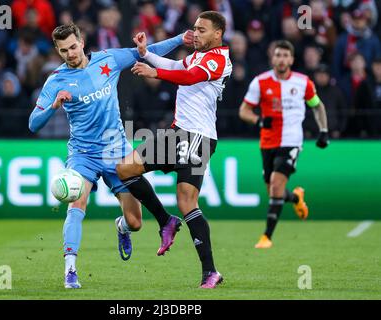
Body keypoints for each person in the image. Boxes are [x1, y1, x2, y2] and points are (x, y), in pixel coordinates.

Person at [28, 23, 192, 289]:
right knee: (76, 204)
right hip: (83, 154)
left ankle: (121, 227)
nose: (69, 53)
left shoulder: (108, 60)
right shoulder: (56, 80)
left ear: (81, 41)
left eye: (72, 47)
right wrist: (54, 106)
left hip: (117, 150)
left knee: (135, 222)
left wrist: (179, 38)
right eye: (63, 51)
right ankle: (70, 270)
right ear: (58, 52)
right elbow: (34, 123)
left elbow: (145, 51)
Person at [116, 11, 232, 289]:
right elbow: (179, 66)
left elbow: (189, 77)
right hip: (198, 138)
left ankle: (166, 221)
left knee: (125, 168)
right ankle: (210, 273)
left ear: (218, 34)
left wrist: (155, 72)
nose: (196, 33)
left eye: (202, 30)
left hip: (190, 136)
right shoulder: (200, 56)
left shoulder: (218, 59)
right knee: (188, 203)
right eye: (194, 28)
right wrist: (146, 53)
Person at [239, 40, 329, 249]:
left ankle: (266, 236)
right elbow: (244, 110)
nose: (281, 59)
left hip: (291, 141)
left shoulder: (303, 82)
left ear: (291, 59)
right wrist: (259, 120)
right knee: (273, 189)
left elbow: (317, 106)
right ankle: (296, 197)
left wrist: (323, 131)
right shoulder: (259, 82)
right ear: (273, 58)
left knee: (277, 184)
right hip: (267, 142)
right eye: (278, 55)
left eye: (285, 55)